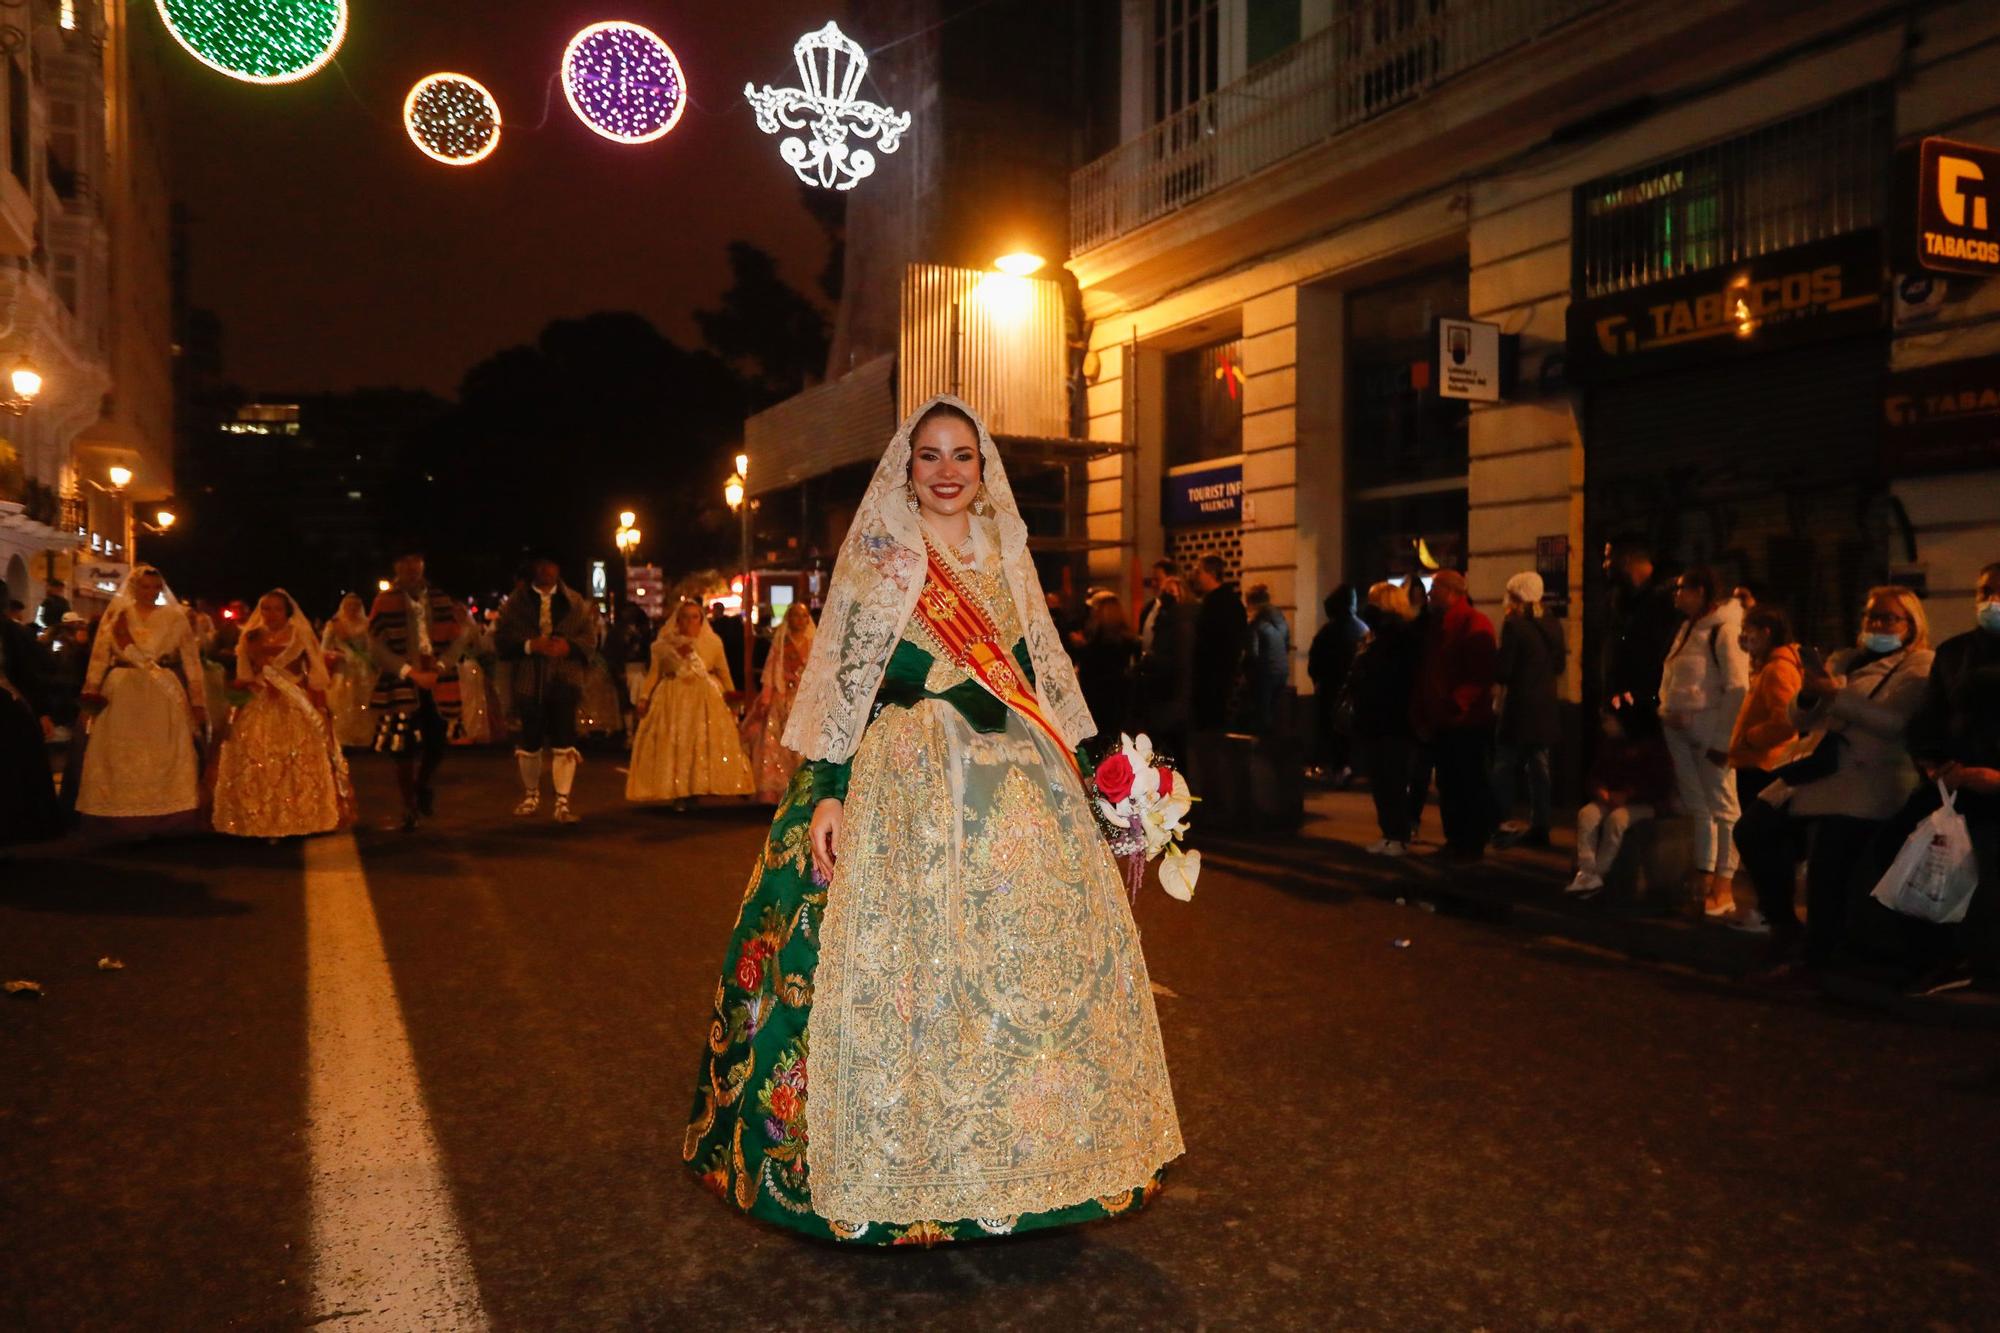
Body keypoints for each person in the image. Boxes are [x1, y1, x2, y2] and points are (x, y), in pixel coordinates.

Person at [684, 395, 1182, 1245]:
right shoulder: (881, 554)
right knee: (902, 960)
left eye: (963, 457)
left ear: (984, 470)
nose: (947, 472)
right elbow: (848, 675)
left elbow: (1041, 671)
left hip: (1015, 770)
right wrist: (832, 784)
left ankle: (1027, 1159)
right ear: (906, 469)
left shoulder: (1005, 552)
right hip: (903, 771)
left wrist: (1107, 773)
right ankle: (896, 1160)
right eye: (930, 457)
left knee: (1032, 961)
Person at [1732, 586, 1933, 980]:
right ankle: (1783, 923)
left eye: (1889, 618)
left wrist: (1835, 697)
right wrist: (1809, 695)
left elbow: (1893, 722)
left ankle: (1817, 957)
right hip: (1815, 768)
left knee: (1831, 856)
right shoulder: (1844, 660)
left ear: (1911, 625)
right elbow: (1799, 720)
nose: (1878, 625)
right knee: (1753, 829)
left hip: (1868, 775)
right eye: (1872, 616)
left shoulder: (1919, 665)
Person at [1847, 563, 2000, 991]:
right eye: (1987, 592)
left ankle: (1979, 963)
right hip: (1952, 785)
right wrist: (1933, 764)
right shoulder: (1955, 654)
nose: (1993, 602)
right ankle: (1936, 955)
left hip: (1993, 787)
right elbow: (1929, 719)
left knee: (1984, 874)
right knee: (1898, 854)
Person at [75, 565, 207, 836]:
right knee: (118, 749)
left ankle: (169, 817)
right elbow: (100, 656)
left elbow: (191, 661)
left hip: (162, 691)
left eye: (155, 588)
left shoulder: (175, 617)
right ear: (134, 588)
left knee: (166, 748)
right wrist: (91, 692)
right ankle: (116, 818)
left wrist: (198, 701)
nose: (150, 593)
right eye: (145, 587)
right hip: (123, 688)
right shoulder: (117, 615)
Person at [212, 590, 354, 839]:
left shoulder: (300, 634)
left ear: (287, 611)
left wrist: (317, 701)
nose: (270, 614)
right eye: (266, 608)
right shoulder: (251, 636)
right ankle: (261, 817)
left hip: (294, 701)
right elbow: (243, 675)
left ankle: (299, 815)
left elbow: (316, 673)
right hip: (260, 701)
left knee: (296, 755)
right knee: (256, 753)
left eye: (276, 609)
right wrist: (248, 685)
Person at [1657, 566, 1751, 916]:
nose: (1677, 595)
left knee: (1724, 808)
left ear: (1701, 591)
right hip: (1679, 727)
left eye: (1682, 588)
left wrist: (1723, 739)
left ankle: (1724, 886)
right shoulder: (1690, 627)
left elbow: (1738, 686)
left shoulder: (1725, 629)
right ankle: (1704, 874)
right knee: (1698, 804)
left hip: (1709, 731)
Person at [369, 550, 472, 832]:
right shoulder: (386, 601)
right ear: (396, 566)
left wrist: (439, 668)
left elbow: (459, 637)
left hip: (437, 679)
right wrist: (409, 672)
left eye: (415, 561)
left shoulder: (440, 599)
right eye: (404, 562)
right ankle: (409, 806)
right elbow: (376, 645)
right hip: (402, 679)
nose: (411, 567)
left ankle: (421, 785)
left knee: (437, 744)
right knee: (402, 747)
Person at [495, 558, 598, 823]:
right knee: (530, 740)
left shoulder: (575, 602)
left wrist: (569, 647)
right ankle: (531, 795)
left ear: (558, 568)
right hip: (529, 679)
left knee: (565, 740)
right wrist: (530, 646)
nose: (546, 570)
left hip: (565, 679)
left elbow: (589, 639)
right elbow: (503, 641)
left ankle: (562, 801)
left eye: (551, 564)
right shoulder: (515, 604)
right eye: (541, 565)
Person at [628, 599, 753, 807]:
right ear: (677, 620)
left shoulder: (713, 643)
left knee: (706, 742)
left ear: (701, 619)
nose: (690, 621)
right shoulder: (662, 646)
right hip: (672, 699)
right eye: (685, 617)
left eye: (695, 617)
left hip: (706, 699)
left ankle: (709, 784)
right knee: (678, 744)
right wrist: (644, 698)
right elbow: (654, 674)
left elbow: (723, 671)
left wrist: (732, 697)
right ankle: (681, 792)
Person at [1411, 570, 1498, 861]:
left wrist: (1454, 705)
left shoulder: (1473, 623)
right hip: (1445, 720)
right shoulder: (1438, 625)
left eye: (1434, 588)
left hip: (1465, 723)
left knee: (1468, 783)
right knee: (1449, 784)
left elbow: (1479, 675)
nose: (1429, 593)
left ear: (1452, 592)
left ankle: (1470, 843)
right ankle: (1456, 841)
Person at [1489, 571, 1566, 848]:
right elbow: (1559, 666)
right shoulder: (1552, 623)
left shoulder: (1514, 624)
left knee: (1504, 766)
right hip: (1545, 707)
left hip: (1519, 708)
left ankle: (1501, 821)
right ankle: (1541, 824)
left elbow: (1504, 670)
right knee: (1540, 768)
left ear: (1516, 596)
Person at [1568, 700, 1673, 895]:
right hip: (1612, 798)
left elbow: (1658, 784)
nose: (1604, 725)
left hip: (1645, 803)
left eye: (1608, 720)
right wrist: (1601, 791)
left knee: (1617, 820)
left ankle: (1600, 873)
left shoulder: (1651, 748)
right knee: (1587, 815)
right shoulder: (1610, 745)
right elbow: (1595, 775)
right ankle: (1586, 870)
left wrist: (1628, 795)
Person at [1352, 581, 1424, 856]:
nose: (1366, 607)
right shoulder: (1378, 635)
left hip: (1393, 718)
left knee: (1392, 778)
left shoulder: (1400, 636)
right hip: (1376, 716)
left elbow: (1395, 677)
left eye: (1372, 601)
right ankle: (1389, 833)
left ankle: (1398, 835)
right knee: (1381, 779)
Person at [0, 583, 62, 845]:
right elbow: (34, 673)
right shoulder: (14, 632)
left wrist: (42, 711)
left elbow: (29, 674)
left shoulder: (13, 634)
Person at [738, 600, 815, 803]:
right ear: (788, 619)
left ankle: (804, 787)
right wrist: (766, 697)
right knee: (778, 743)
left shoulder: (814, 642)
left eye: (803, 615)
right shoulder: (781, 641)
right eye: (795, 615)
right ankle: (780, 788)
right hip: (782, 698)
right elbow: (772, 670)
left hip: (804, 699)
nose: (800, 620)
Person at [1727, 605, 1802, 810]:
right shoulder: (1771, 665)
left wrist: (1750, 739)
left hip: (1763, 764)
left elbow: (1785, 722)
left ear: (1766, 632)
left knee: (1757, 833)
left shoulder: (1778, 669)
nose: (1744, 637)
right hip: (1762, 761)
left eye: (1748, 630)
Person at [1602, 538, 1681, 717]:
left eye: (1609, 558)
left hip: (1649, 715)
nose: (1605, 565)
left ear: (1627, 559)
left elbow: (1657, 662)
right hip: (1624, 710)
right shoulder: (1620, 601)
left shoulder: (1667, 602)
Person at [1307, 584, 1368, 783]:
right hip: (1355, 689)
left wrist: (1317, 679)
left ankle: (1336, 767)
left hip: (1331, 688)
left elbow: (1315, 660)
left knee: (1331, 730)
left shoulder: (1328, 631)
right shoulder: (1362, 628)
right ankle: (1350, 766)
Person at [1136, 569, 1197, 760]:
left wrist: (1151, 661)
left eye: (1172, 592)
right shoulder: (1159, 615)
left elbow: (1178, 660)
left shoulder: (1182, 622)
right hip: (1164, 693)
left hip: (1173, 694)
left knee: (1173, 748)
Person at [1190, 554, 1247, 732]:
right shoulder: (1229, 601)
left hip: (1212, 676)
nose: (1195, 576)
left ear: (1211, 573)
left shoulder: (1218, 603)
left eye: (1198, 571)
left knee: (1210, 725)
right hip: (1220, 674)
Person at [1076, 591, 1140, 744]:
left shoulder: (1092, 649)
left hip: (1100, 709)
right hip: (1127, 705)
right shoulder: (1131, 644)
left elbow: (1087, 684)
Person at [320, 593, 377, 749]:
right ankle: (342, 737)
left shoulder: (367, 625)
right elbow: (323, 649)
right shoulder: (334, 625)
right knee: (342, 703)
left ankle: (362, 737)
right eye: (349, 606)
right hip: (343, 669)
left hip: (363, 670)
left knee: (362, 702)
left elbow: (371, 648)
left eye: (355, 606)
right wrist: (340, 655)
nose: (352, 609)